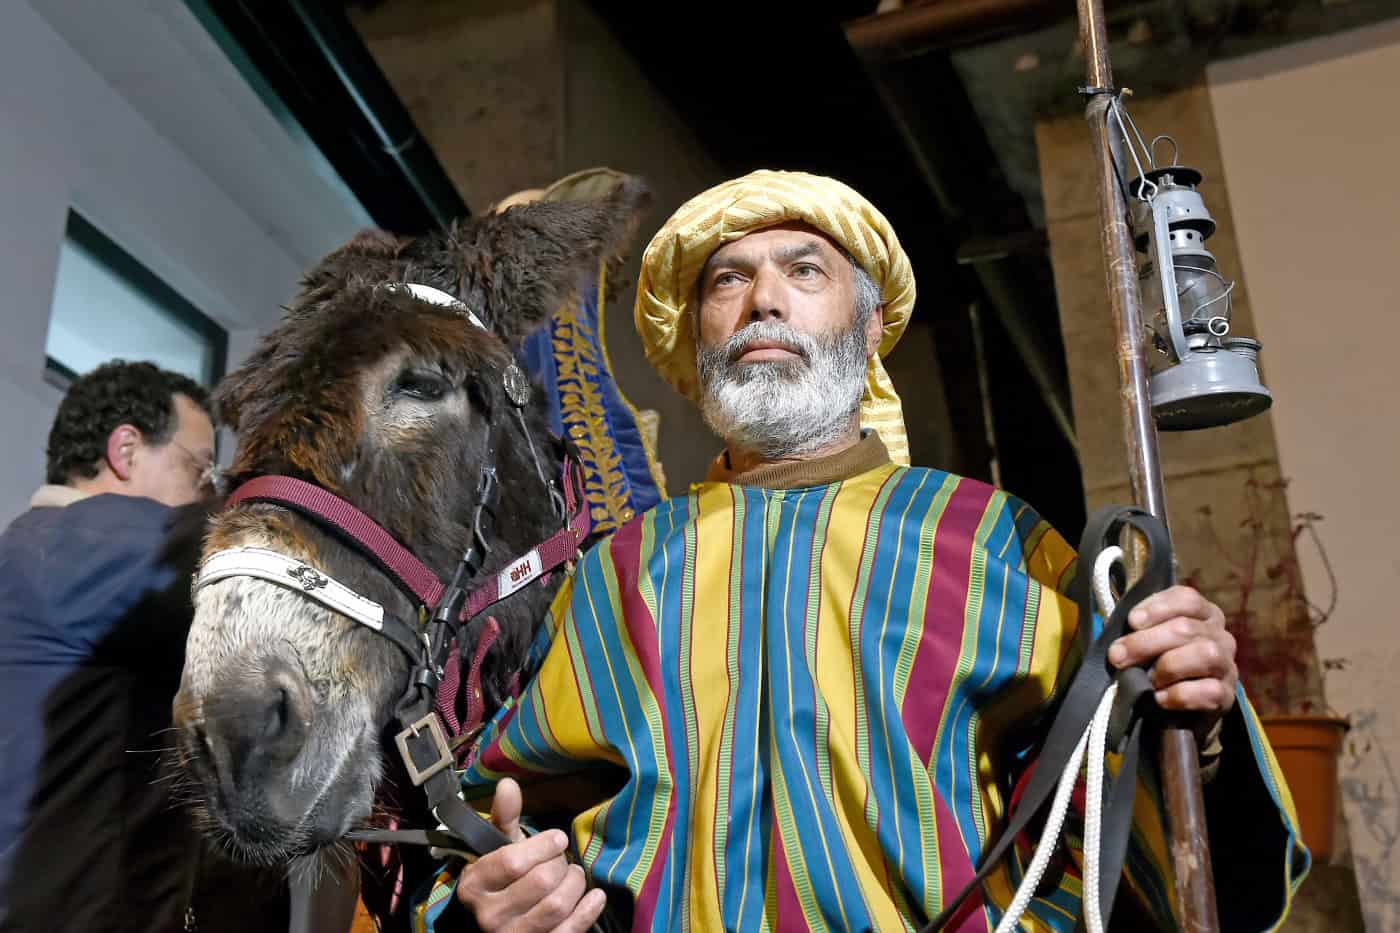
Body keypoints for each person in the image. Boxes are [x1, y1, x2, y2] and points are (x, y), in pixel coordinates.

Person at [435, 172, 1307, 932]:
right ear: (697, 340)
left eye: (804, 271)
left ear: (870, 318)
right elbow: (497, 823)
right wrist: (494, 898)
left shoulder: (996, 538)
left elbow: (1128, 826)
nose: (763, 300)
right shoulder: (614, 573)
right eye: (728, 280)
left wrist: (1196, 718)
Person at [0, 360, 222, 931]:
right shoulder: (91, 542)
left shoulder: (24, 552)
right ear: (125, 450)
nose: (206, 497)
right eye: (199, 472)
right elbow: (257, 555)